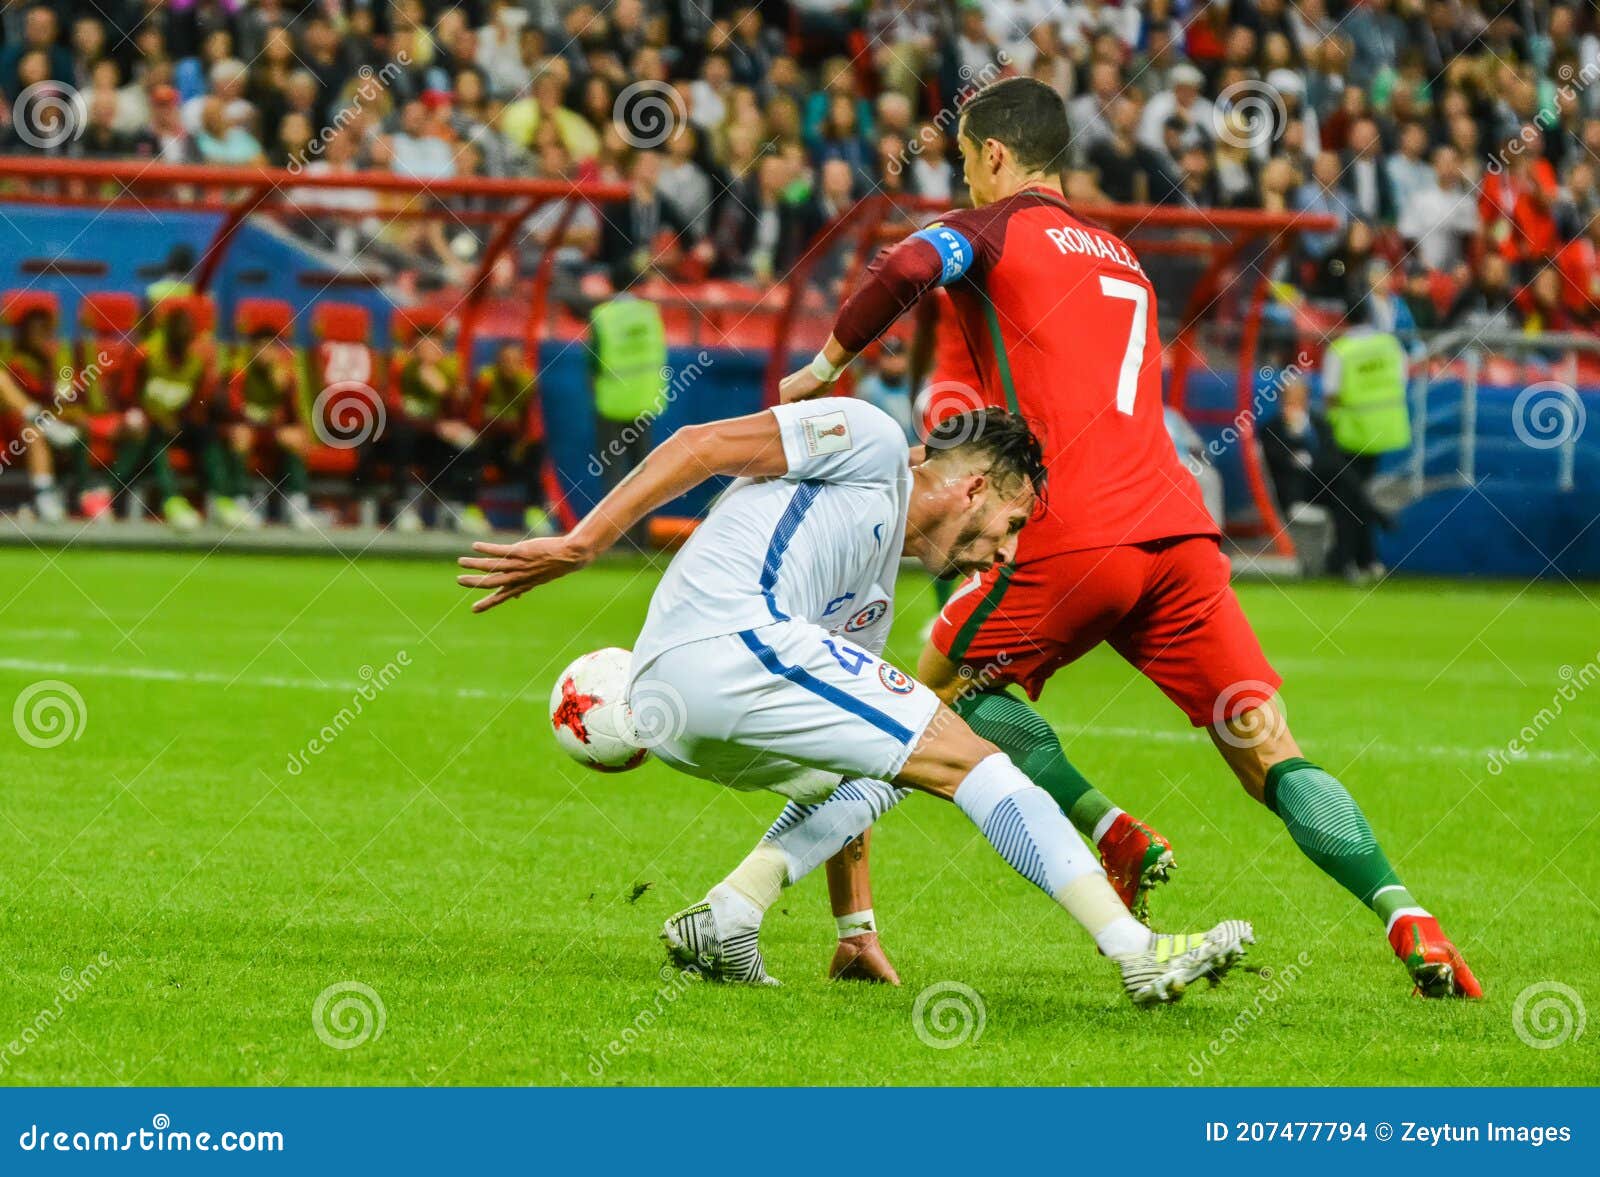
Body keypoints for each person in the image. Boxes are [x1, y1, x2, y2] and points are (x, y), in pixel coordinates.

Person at [736, 76, 1479, 999]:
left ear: (995, 156)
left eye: (966, 159)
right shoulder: (1120, 256)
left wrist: (823, 367)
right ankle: (1408, 915)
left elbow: (902, 271)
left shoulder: (994, 228)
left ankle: (818, 903)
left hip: (1071, 530)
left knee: (915, 710)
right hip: (1178, 531)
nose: (964, 177)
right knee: (1267, 747)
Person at [456, 397, 1255, 1006]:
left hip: (695, 718)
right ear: (974, 486)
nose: (1005, 554)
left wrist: (854, 926)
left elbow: (861, 753)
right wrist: (583, 543)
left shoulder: (868, 604)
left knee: (887, 769)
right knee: (976, 756)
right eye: (1010, 524)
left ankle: (731, 912)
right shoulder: (870, 440)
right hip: (723, 644)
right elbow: (700, 445)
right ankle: (1135, 951)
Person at [223, 321, 314, 530]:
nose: (267, 353)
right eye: (262, 347)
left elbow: (295, 420)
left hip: (272, 433)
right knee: (240, 435)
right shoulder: (239, 372)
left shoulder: (285, 376)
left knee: (295, 438)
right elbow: (233, 413)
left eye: (272, 348)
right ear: (252, 349)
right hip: (246, 431)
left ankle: (296, 504)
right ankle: (240, 500)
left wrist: (282, 390)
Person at [468, 341, 552, 536]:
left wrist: (522, 444)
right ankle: (471, 511)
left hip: (514, 447)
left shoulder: (528, 383)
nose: (510, 366)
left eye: (515, 361)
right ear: (497, 362)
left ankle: (534, 511)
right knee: (472, 448)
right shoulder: (485, 380)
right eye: (505, 361)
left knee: (536, 449)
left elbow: (532, 425)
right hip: (488, 443)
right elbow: (474, 419)